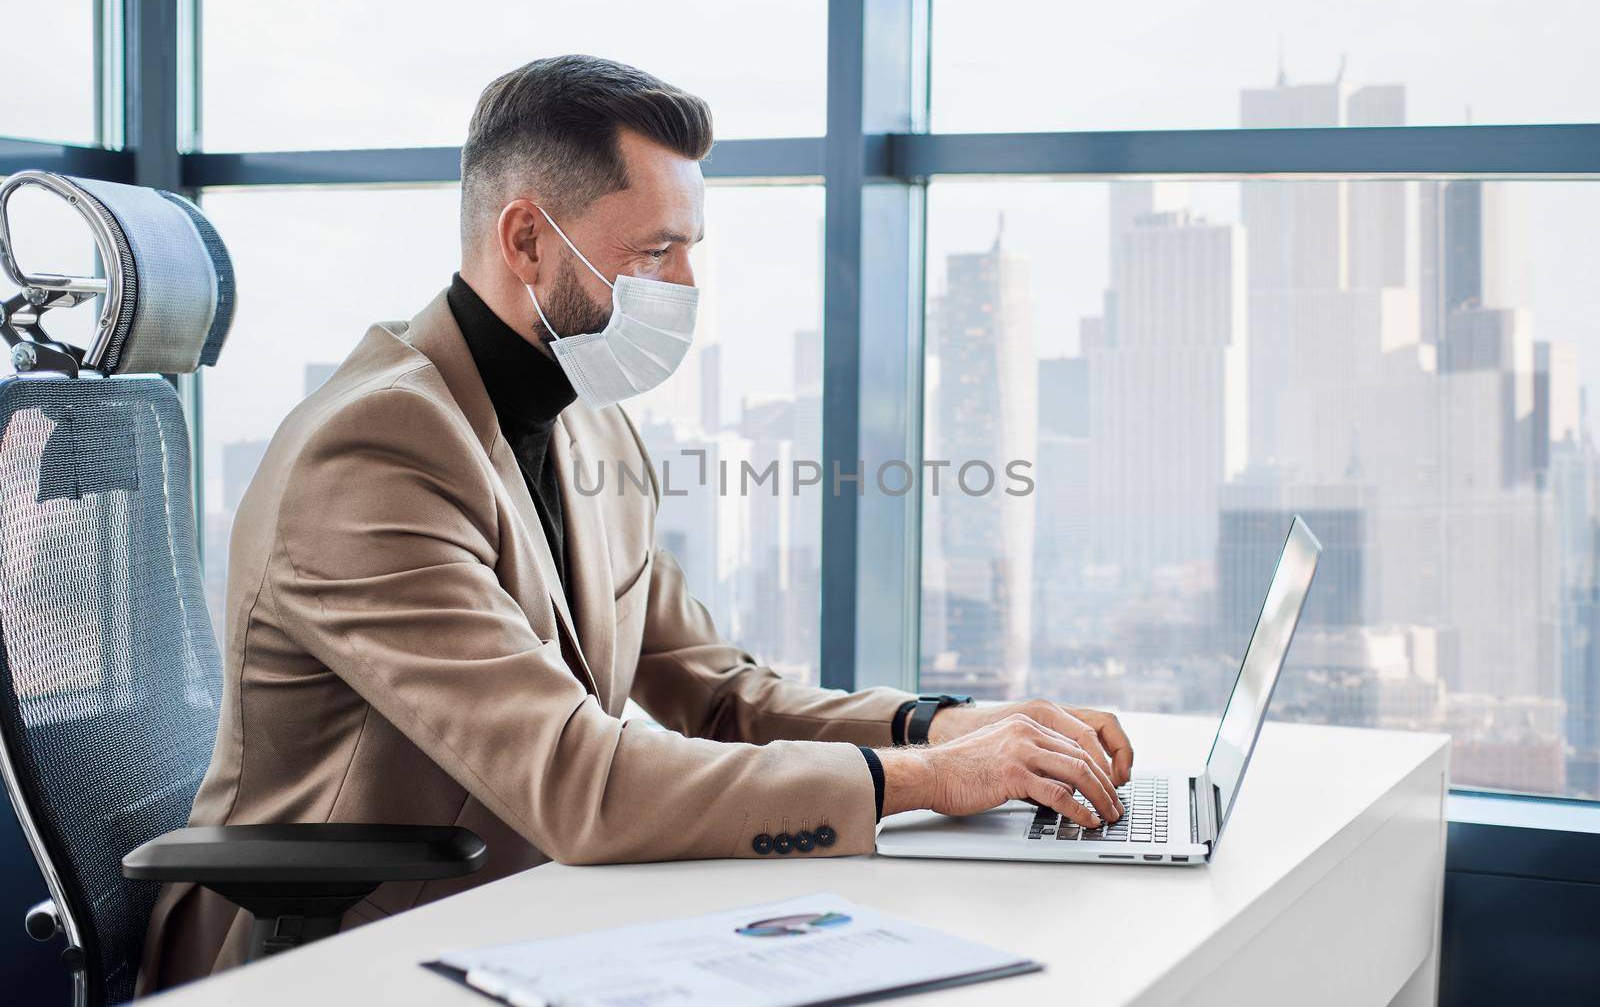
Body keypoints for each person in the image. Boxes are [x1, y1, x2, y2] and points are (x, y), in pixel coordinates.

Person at [138, 54, 1133, 990]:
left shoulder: (593, 423)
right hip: (332, 947)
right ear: (526, 239)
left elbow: (717, 689)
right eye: (656, 252)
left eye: (689, 250)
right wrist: (925, 777)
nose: (687, 289)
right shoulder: (372, 451)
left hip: (526, 908)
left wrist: (949, 725)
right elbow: (577, 775)